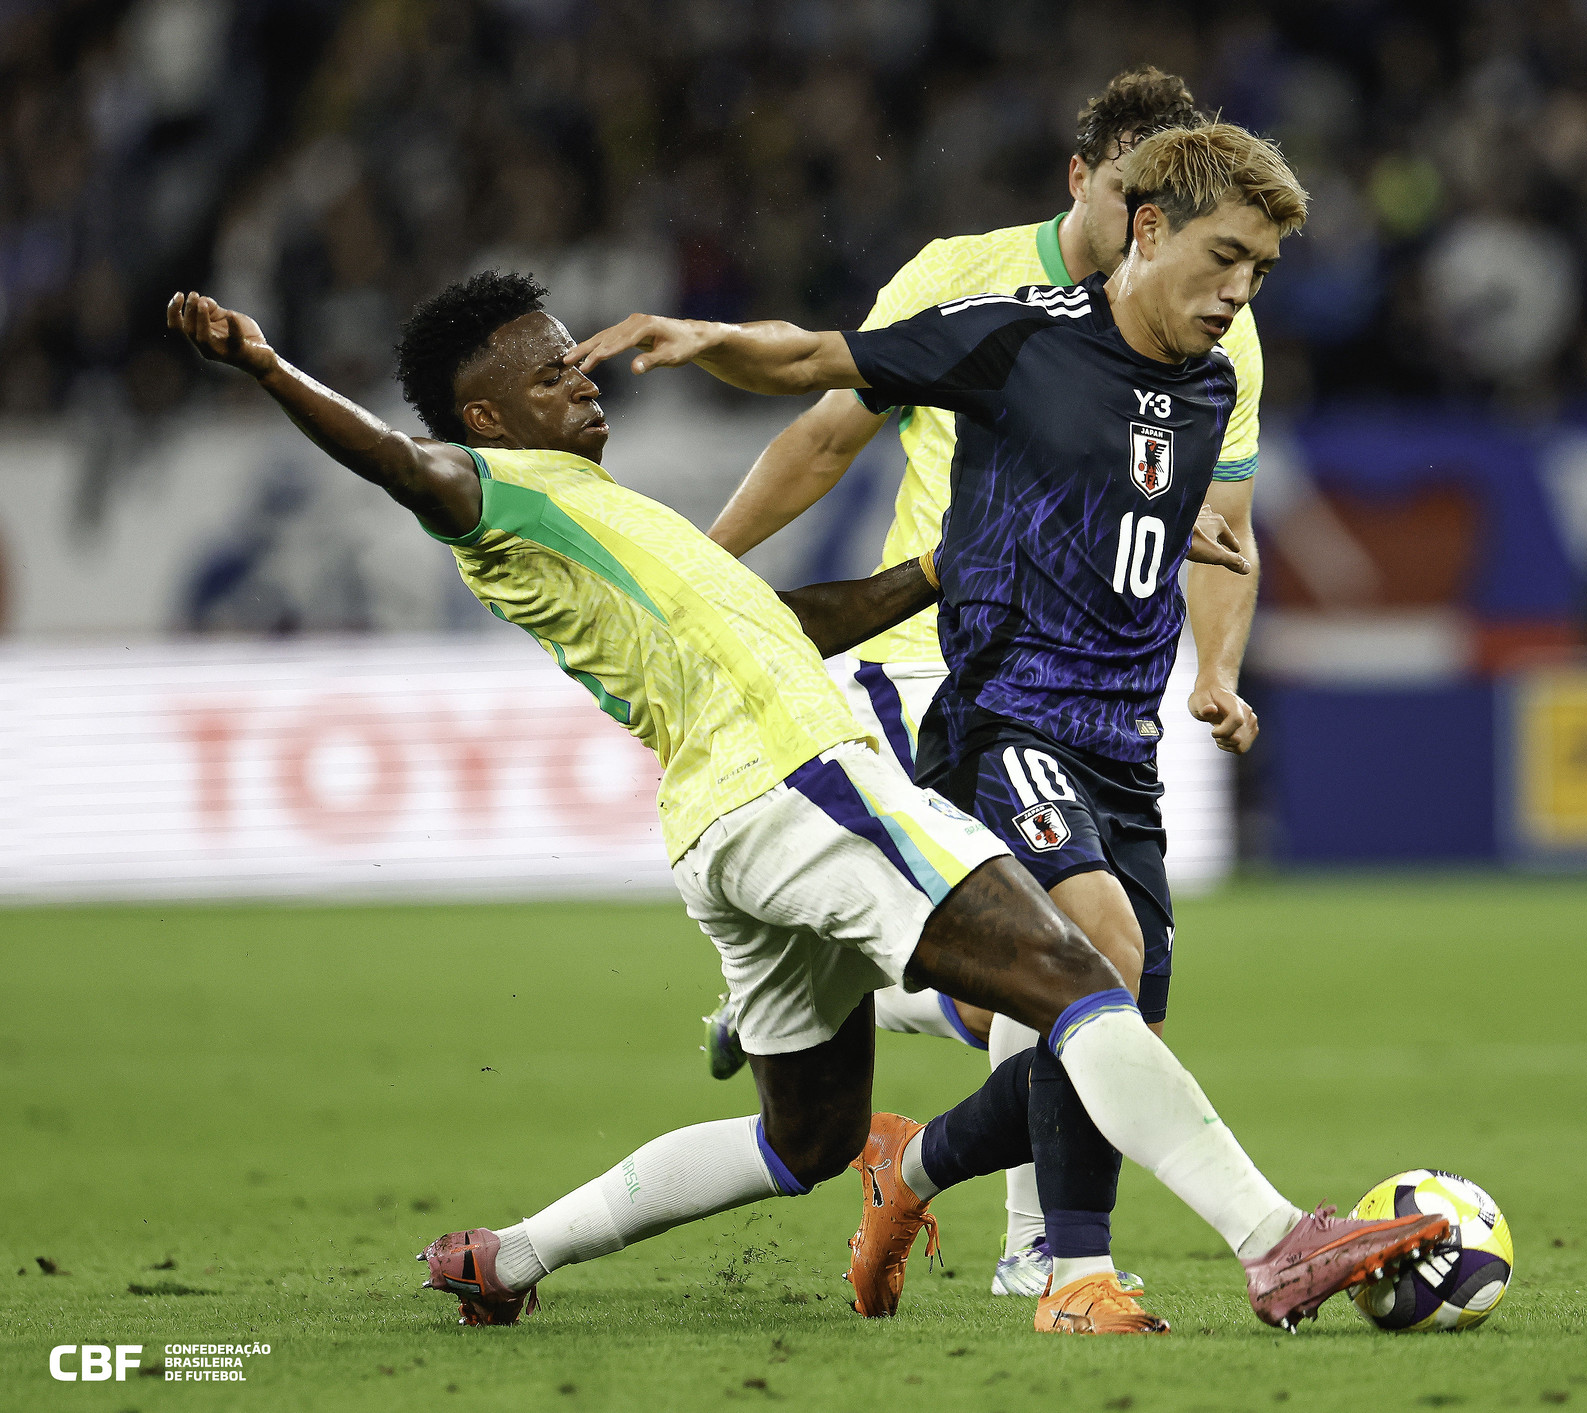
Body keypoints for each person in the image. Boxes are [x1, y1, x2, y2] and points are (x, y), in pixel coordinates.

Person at [164, 272, 1450, 1337]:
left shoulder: (610, 520)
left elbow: (784, 625)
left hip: (721, 830)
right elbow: (400, 464)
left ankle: (504, 1258)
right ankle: (1276, 1242)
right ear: (487, 418)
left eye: (578, 359)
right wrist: (271, 368)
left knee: (809, 1138)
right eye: (553, 373)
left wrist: (947, 567)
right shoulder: (492, 492)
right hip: (800, 781)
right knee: (1077, 976)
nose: (585, 378)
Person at [567, 122, 1384, 1334]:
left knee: (1110, 1034)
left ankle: (914, 1170)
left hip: (1122, 745)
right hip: (1005, 719)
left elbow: (1154, 505)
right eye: (1224, 259)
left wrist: (1203, 644)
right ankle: (1084, 1279)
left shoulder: (1208, 385)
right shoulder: (1013, 334)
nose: (1239, 294)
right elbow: (817, 367)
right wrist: (705, 341)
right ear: (1145, 229)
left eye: (1260, 273)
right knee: (1091, 961)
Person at [701, 64, 1268, 1302]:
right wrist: (699, 569)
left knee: (1087, 1019)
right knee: (1068, 964)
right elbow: (822, 434)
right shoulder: (966, 283)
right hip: (939, 661)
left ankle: (860, 1078)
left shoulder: (1216, 324)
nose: (1146, 230)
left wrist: (1214, 670)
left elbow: (1215, 517)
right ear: (1092, 185)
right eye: (1128, 198)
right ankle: (1050, 1257)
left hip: (1102, 698)